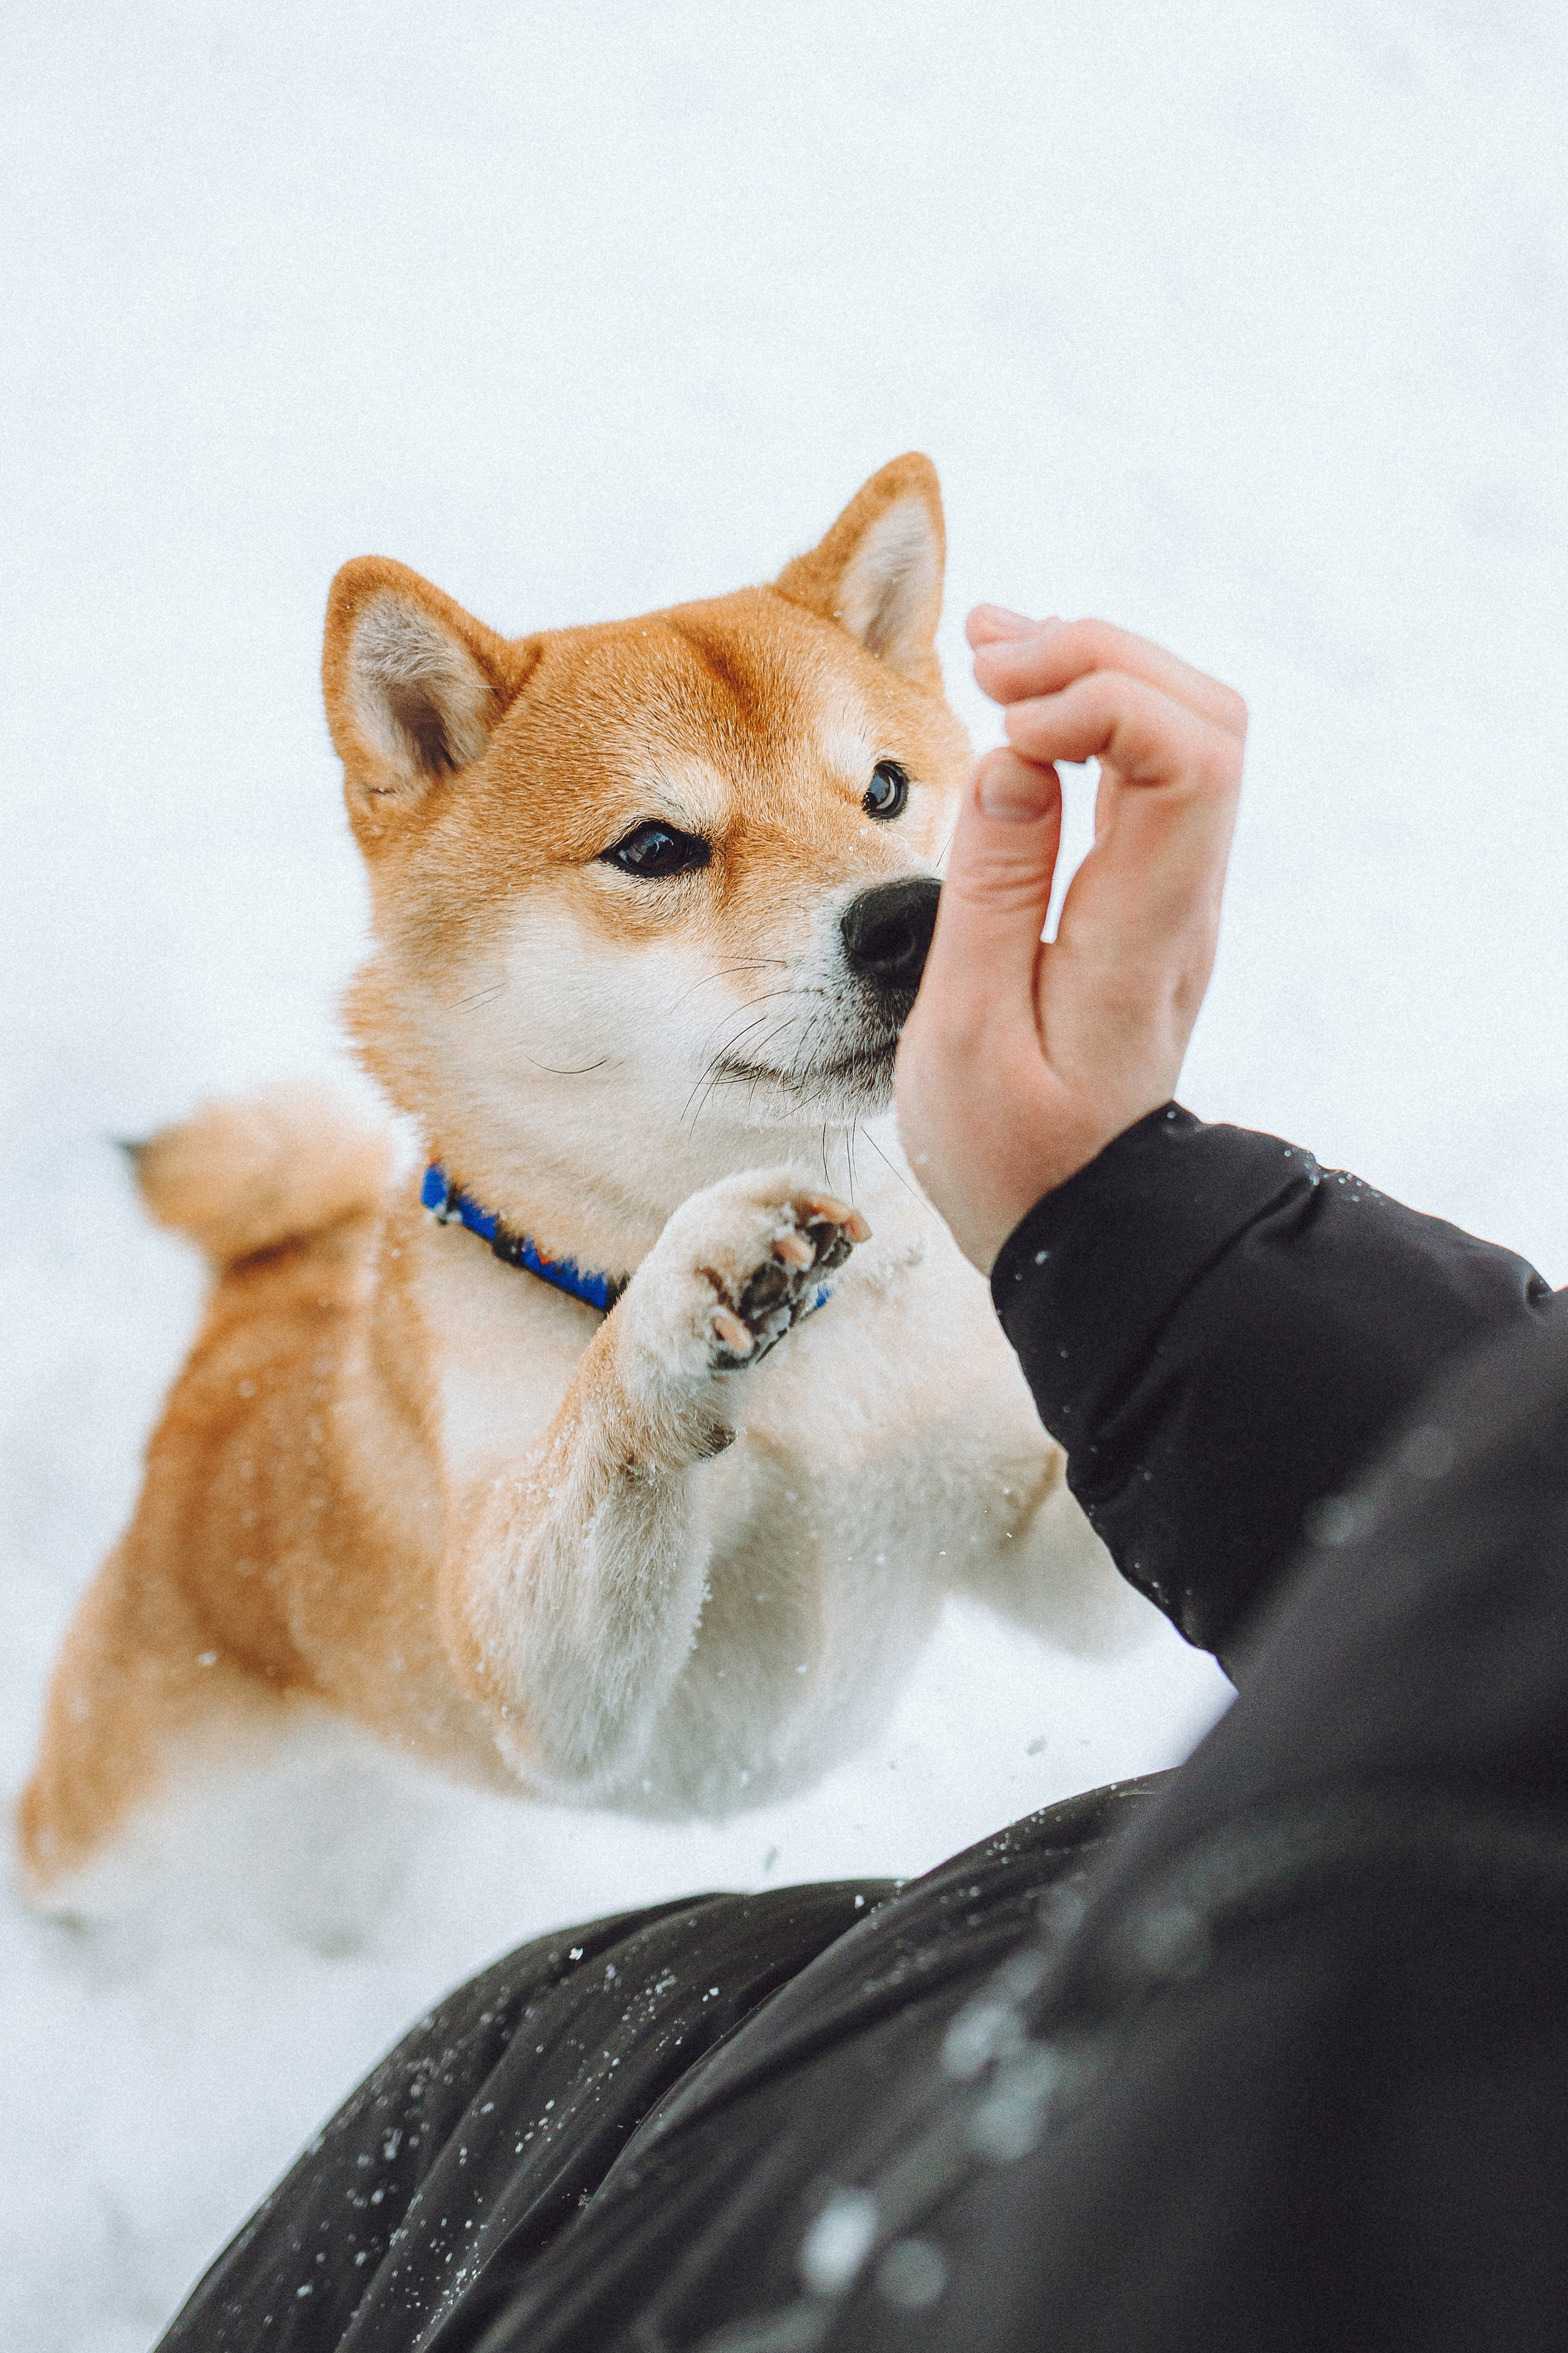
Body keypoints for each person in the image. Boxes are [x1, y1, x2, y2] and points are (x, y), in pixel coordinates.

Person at [154, 614, 1567, 2353]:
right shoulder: (468, 1307)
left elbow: (1067, 1586)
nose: (866, 891)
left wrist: (1113, 1264)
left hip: (714, 2091)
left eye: (885, 790)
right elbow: (560, 1716)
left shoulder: (902, 1249)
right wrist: (1112, 1216)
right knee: (105, 1840)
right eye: (663, 850)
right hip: (379, 1764)